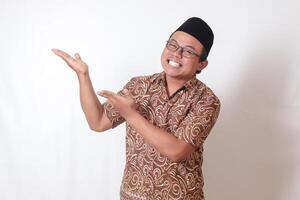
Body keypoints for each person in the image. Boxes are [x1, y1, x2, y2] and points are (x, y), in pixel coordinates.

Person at [52, 17, 220, 200]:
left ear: (202, 64)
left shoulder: (206, 100)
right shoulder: (139, 86)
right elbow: (98, 122)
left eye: (188, 51)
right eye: (172, 45)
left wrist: (131, 115)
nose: (176, 53)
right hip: (133, 195)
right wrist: (83, 76)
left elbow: (177, 151)